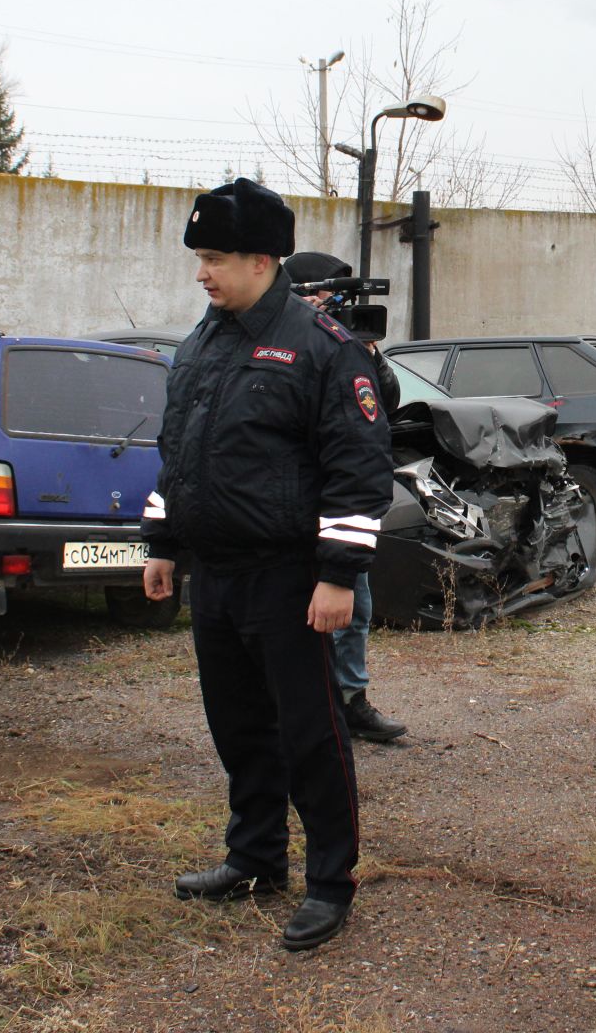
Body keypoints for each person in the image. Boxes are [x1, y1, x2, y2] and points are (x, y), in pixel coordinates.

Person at [140, 177, 394, 952]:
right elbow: (179, 454)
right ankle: (254, 860)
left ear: (261, 259)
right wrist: (161, 543)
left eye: (213, 258)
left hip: (289, 578)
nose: (201, 272)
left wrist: (337, 574)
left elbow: (359, 467)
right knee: (239, 728)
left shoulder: (322, 347)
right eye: (198, 257)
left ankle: (330, 882)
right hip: (217, 575)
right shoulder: (204, 340)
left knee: (310, 734)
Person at [284, 249, 408, 745]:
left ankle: (350, 701)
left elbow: (386, 403)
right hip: (294, 508)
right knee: (297, 617)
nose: (335, 304)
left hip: (344, 505)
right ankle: (307, 708)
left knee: (354, 609)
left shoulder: (347, 344)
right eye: (328, 295)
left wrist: (371, 353)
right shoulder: (287, 343)